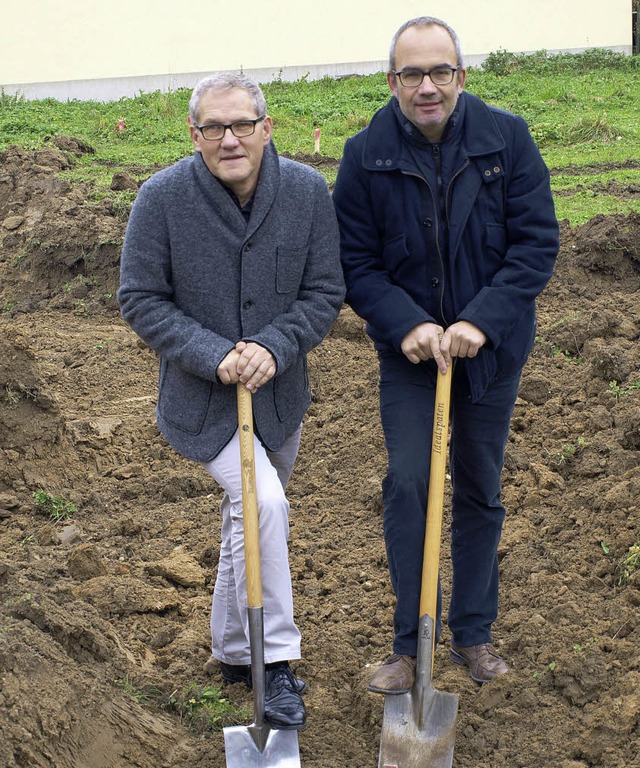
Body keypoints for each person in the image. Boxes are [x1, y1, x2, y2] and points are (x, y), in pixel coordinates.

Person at [333, 17, 558, 691]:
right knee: (409, 484)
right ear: (392, 80)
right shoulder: (364, 153)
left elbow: (535, 244)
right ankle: (410, 641)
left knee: (479, 487)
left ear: (461, 75)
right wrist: (407, 325)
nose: (426, 86)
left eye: (439, 72)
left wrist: (481, 323)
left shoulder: (506, 140)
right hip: (411, 359)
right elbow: (356, 261)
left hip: (489, 354)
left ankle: (473, 631)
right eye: (411, 74)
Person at [118, 72, 345, 729]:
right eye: (213, 127)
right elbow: (139, 296)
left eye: (242, 123)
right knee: (263, 501)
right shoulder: (160, 199)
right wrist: (214, 353)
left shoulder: (305, 191)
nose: (229, 138)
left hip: (278, 399)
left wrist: (274, 346)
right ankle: (273, 663)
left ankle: (228, 646)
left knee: (245, 520)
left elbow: (324, 291)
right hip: (202, 399)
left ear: (266, 127)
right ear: (194, 136)